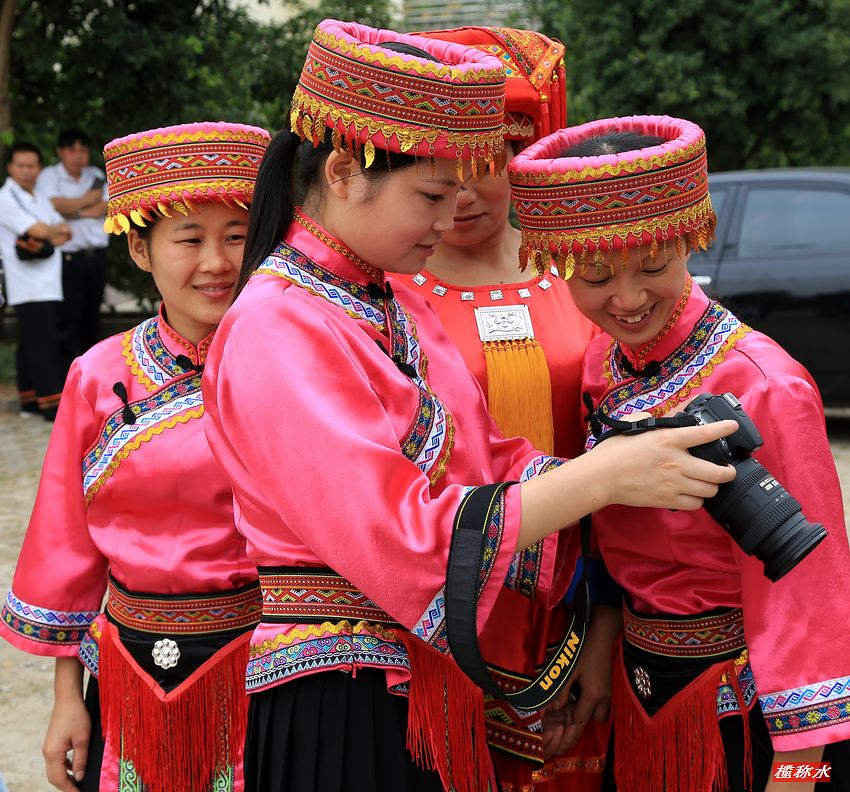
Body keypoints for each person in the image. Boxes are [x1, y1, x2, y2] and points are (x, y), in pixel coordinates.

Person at [201, 22, 738, 792]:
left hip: (425, 683)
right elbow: (405, 539)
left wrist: (635, 469)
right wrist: (602, 479)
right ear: (347, 171)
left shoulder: (386, 301)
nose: (448, 217)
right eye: (429, 194)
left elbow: (490, 460)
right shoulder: (276, 325)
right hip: (340, 694)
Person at [508, 115, 850, 791]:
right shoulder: (605, 363)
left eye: (655, 266)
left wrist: (799, 764)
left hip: (747, 708)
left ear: (693, 240)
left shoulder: (761, 383)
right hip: (644, 687)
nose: (628, 298)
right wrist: (602, 645)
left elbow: (807, 587)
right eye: (597, 275)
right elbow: (608, 532)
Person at [0, 121, 271, 792]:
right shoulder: (97, 375)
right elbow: (68, 546)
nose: (216, 262)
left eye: (237, 236)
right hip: (126, 669)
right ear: (141, 251)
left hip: (266, 666)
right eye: (189, 239)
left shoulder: (288, 366)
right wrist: (68, 695)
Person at [394, 26, 613, 792]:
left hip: (577, 612)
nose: (461, 193)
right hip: (433, 619)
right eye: (438, 171)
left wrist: (605, 632)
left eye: (484, 166)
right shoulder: (379, 299)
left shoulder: (589, 284)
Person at [0, 142, 71, 420]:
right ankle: (51, 405)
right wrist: (51, 231)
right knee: (43, 343)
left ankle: (29, 401)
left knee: (31, 342)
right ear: (10, 167)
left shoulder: (39, 196)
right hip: (26, 282)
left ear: (39, 168)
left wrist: (51, 232)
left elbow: (64, 231)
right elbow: (40, 229)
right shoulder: (6, 197)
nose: (26, 171)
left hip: (48, 280)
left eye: (31, 165)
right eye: (21, 165)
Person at [37, 128, 110, 363]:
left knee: (91, 315)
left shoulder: (96, 174)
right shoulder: (49, 176)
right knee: (68, 316)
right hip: (68, 259)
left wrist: (73, 209)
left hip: (96, 256)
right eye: (72, 149)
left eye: (83, 149)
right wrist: (87, 202)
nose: (78, 154)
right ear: (60, 151)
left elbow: (105, 207)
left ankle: (91, 370)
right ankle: (66, 371)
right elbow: (52, 206)